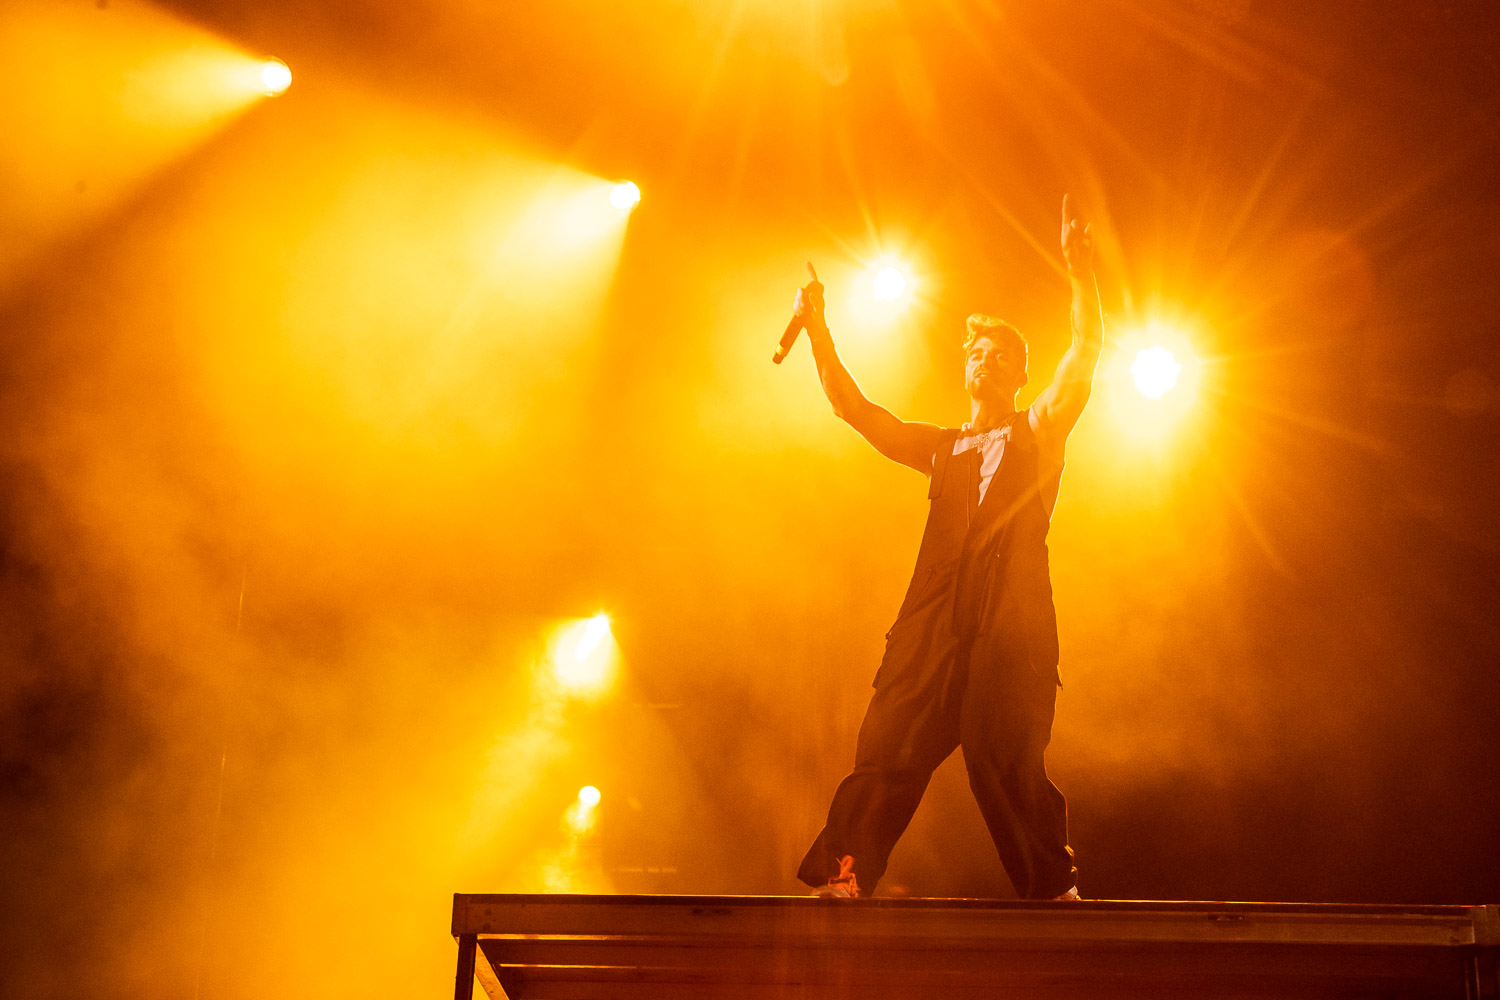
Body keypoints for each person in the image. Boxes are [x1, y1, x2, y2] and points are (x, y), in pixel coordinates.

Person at [794, 195, 1103, 901]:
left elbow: (1084, 354)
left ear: (1020, 375)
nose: (984, 361)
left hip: (1008, 625)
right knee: (888, 747)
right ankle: (846, 873)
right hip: (932, 624)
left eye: (1000, 356)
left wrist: (1082, 274)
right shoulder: (943, 449)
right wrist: (818, 331)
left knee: (1005, 755)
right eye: (977, 353)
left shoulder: (1039, 431)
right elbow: (856, 411)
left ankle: (1052, 886)